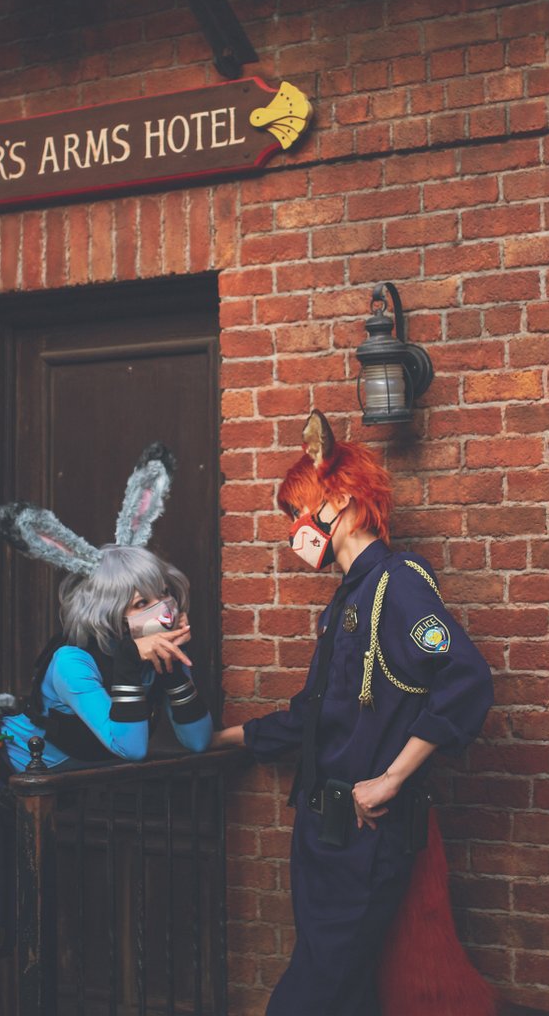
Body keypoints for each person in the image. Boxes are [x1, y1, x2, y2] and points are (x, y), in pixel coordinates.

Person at [0, 448, 213, 1016]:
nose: (160, 610)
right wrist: (132, 661)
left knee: (7, 934)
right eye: (141, 602)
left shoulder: (146, 656)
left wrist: (175, 670)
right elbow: (129, 747)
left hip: (34, 793)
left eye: (161, 596)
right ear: (109, 611)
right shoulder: (72, 663)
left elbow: (197, 740)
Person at [212, 410, 495, 1016]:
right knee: (348, 993)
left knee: (313, 993)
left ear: (338, 501)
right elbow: (315, 716)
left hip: (366, 833)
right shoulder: (347, 599)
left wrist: (392, 778)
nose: (293, 529)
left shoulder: (397, 585)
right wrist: (223, 739)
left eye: (297, 511)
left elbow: (466, 679)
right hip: (323, 834)